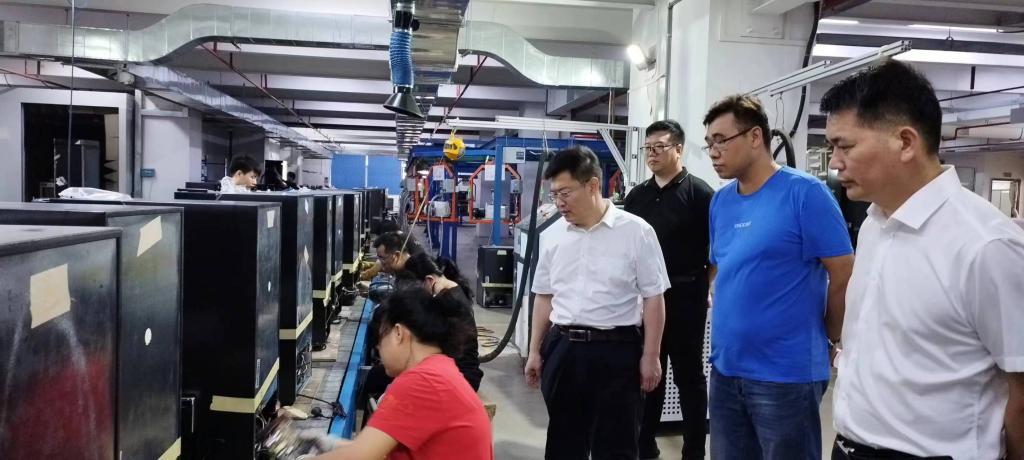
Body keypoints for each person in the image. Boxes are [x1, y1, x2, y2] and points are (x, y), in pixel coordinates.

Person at [821, 60, 1024, 460]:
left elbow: (1021, 388)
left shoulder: (985, 246)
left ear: (905, 142)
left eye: (845, 146)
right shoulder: (875, 224)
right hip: (849, 446)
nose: (834, 163)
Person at [703, 94, 854, 460]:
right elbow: (723, 268)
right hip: (726, 370)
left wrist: (831, 336)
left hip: (785, 375)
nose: (713, 152)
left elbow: (844, 274)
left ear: (755, 137)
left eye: (721, 140)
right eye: (709, 144)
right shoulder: (721, 202)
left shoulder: (805, 194)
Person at [524, 145, 670, 460]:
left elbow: (654, 297)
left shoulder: (637, 232)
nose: (559, 203)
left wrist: (651, 355)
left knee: (616, 446)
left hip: (617, 350)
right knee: (563, 443)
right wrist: (535, 350)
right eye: (554, 195)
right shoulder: (552, 235)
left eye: (565, 193)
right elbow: (544, 296)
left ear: (592, 185)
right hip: (563, 348)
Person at [310, 288, 494, 460]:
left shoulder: (421, 382)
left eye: (381, 338)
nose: (379, 348)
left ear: (398, 333)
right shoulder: (441, 370)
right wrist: (334, 445)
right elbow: (375, 449)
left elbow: (361, 456)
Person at [624, 119, 714, 460]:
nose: (652, 154)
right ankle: (645, 445)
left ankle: (694, 450)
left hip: (687, 294)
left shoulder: (700, 194)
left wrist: (705, 284)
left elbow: (717, 249)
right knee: (649, 372)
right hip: (647, 298)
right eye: (648, 148)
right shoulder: (638, 196)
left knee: (689, 376)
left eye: (659, 147)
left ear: (678, 149)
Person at [401, 252, 483, 390]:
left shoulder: (445, 301)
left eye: (416, 289)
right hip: (464, 372)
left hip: (462, 377)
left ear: (429, 280)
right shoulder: (454, 289)